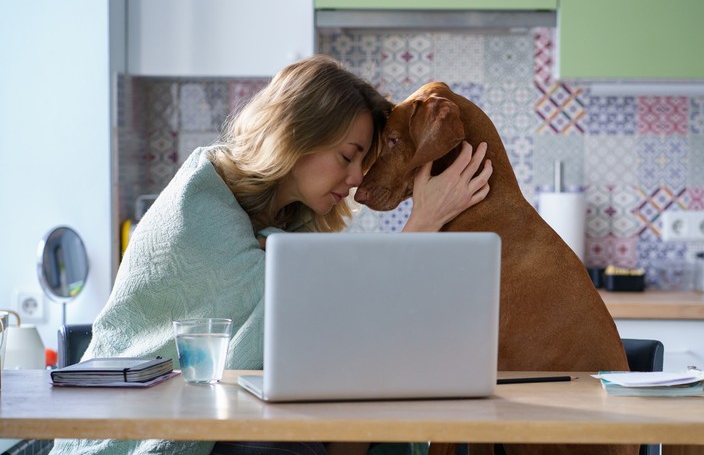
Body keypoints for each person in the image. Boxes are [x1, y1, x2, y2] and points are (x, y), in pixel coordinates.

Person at [50, 55, 492, 455]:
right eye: (348, 157)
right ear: (297, 135)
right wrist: (422, 225)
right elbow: (313, 311)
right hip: (127, 423)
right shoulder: (198, 200)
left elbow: (339, 319)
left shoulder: (289, 224)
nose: (357, 179)